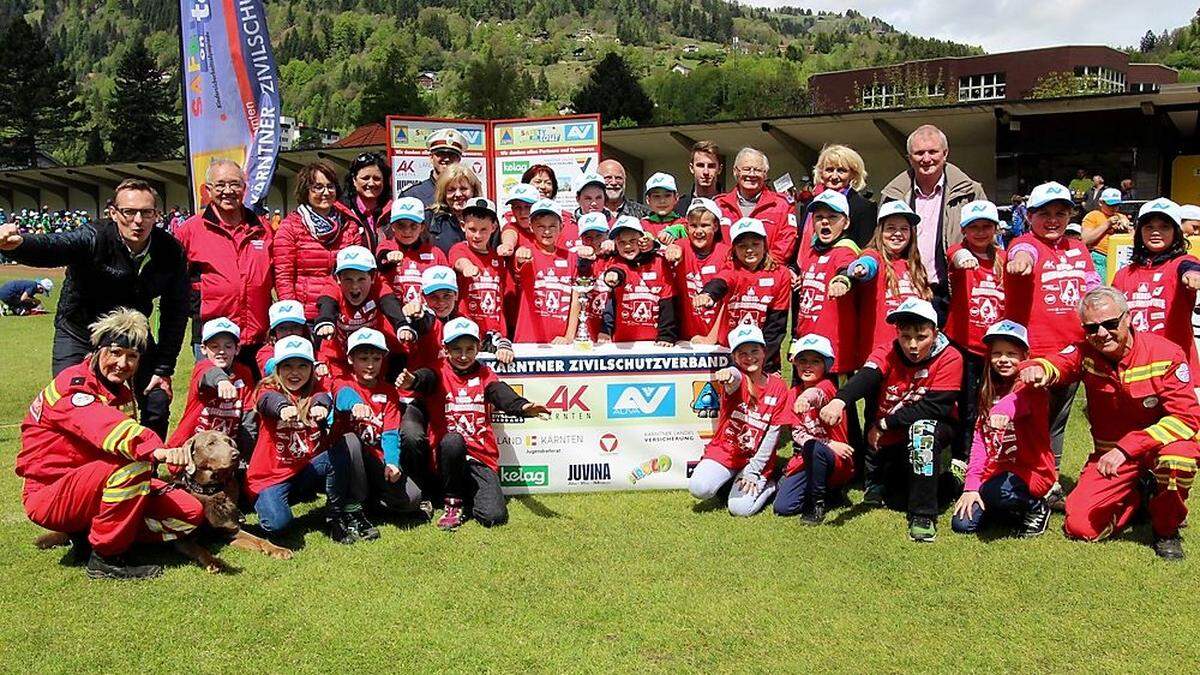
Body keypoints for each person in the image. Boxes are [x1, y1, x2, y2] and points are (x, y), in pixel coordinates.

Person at [16, 309, 203, 580]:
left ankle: (92, 535)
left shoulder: (120, 390)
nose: (122, 363)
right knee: (135, 465)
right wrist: (156, 449)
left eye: (132, 356)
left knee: (189, 513)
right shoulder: (73, 386)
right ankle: (106, 557)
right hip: (52, 491)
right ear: (98, 349)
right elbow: (106, 428)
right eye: (115, 352)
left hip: (94, 483)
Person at [1020, 287, 1200, 560]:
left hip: (1158, 449)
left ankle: (1166, 530)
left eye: (1110, 324)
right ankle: (1140, 495)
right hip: (1110, 457)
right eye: (1091, 328)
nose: (1101, 334)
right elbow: (1059, 362)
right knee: (1080, 527)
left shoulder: (1166, 353)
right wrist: (1037, 368)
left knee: (1179, 460)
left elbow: (1186, 418)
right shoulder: (1087, 352)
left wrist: (1128, 447)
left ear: (1128, 318)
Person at [0, 178, 188, 439]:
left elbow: (175, 310)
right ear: (113, 213)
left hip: (130, 335)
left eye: (147, 213)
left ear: (157, 214)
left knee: (157, 399)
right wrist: (19, 245)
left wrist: (163, 369)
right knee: (70, 402)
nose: (138, 221)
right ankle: (78, 470)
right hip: (79, 331)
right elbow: (55, 246)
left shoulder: (170, 251)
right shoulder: (94, 236)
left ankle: (148, 470)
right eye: (129, 212)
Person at [821, 298, 963, 543]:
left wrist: (884, 424)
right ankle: (936, 482)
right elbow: (867, 376)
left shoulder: (951, 357)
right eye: (905, 336)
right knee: (896, 499)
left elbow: (935, 407)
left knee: (923, 431)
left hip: (933, 426)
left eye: (921, 337)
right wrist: (840, 401)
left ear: (935, 333)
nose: (913, 345)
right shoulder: (887, 351)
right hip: (892, 436)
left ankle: (923, 516)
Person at [399, 318, 550, 529]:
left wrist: (523, 407)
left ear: (479, 347)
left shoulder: (485, 374)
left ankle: (465, 495)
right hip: (447, 458)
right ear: (445, 349)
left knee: (493, 517)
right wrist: (413, 380)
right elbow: (425, 378)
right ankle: (452, 502)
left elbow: (501, 394)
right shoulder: (438, 371)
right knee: (453, 441)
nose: (463, 355)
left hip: (479, 457)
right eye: (456, 349)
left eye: (470, 349)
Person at [1005, 181, 1101, 486]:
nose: (1053, 219)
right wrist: (1020, 261)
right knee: (1030, 420)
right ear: (1029, 216)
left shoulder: (1079, 248)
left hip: (1073, 351)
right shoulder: (1024, 244)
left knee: (1058, 421)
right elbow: (1021, 254)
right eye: (1044, 213)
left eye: (1060, 212)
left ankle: (1051, 479)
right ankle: (1025, 477)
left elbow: (1092, 288)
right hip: (1034, 353)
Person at [951, 320, 1055, 538]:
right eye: (997, 354)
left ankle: (1037, 506)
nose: (1003, 360)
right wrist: (971, 487)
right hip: (996, 471)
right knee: (962, 524)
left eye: (1011, 353)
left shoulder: (1034, 389)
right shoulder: (987, 389)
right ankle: (1000, 506)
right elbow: (981, 442)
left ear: (1025, 356)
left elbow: (1018, 401)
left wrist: (1002, 411)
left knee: (994, 492)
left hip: (1031, 472)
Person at [246, 336, 354, 542]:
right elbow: (267, 401)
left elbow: (323, 397)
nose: (295, 373)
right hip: (270, 477)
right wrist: (283, 408)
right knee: (278, 525)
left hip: (304, 470)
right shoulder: (267, 389)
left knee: (339, 452)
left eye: (302, 366)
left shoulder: (316, 390)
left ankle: (334, 516)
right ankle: (268, 504)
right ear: (277, 369)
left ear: (312, 369)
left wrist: (321, 407)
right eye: (287, 366)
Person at [175, 159, 274, 374]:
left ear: (244, 189)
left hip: (257, 338)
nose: (228, 191)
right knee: (216, 402)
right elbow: (173, 283)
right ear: (208, 190)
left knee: (257, 403)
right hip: (213, 339)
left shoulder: (263, 229)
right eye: (220, 185)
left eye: (235, 184)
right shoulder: (190, 230)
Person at [688, 325, 791, 517]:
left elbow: (772, 435)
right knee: (699, 488)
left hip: (755, 458)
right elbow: (733, 377)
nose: (750, 357)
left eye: (754, 351)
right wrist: (727, 374)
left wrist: (754, 470)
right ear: (734, 358)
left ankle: (770, 485)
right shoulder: (737, 380)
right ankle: (732, 479)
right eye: (742, 353)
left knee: (739, 509)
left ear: (764, 352)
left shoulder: (779, 387)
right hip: (726, 452)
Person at [879, 124, 986, 293]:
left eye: (933, 152)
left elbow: (988, 240)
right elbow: (880, 243)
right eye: (919, 153)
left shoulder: (971, 192)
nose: (926, 159)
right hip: (906, 289)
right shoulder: (892, 195)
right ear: (909, 157)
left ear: (945, 153)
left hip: (955, 289)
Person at [328, 328, 411, 531]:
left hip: (376, 458)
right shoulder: (341, 382)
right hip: (349, 460)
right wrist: (355, 404)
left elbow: (391, 432)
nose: (371, 365)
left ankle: (371, 501)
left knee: (412, 499)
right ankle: (352, 505)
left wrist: (392, 462)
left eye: (376, 358)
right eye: (363, 358)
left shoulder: (389, 391)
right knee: (350, 440)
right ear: (350, 359)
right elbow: (342, 396)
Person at [945, 200, 1006, 460]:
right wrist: (962, 256)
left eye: (986, 227)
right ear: (964, 230)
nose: (980, 232)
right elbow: (954, 256)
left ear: (995, 229)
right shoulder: (960, 252)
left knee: (994, 402)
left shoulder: (1003, 258)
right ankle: (963, 456)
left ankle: (993, 451)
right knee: (967, 405)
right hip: (965, 344)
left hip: (995, 346)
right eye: (974, 227)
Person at [1112, 199, 1200, 374]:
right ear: (1139, 232)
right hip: (1134, 367)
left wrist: (1193, 274)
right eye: (1149, 227)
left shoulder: (1181, 264)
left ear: (1176, 232)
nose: (1156, 232)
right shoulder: (1123, 274)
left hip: (1175, 368)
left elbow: (1190, 267)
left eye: (1164, 227)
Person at [774, 334, 855, 524]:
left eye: (815, 361)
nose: (807, 366)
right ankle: (829, 495)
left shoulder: (828, 386)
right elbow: (797, 433)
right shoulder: (793, 393)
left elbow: (816, 394)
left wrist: (805, 399)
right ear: (794, 363)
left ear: (825, 365)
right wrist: (829, 442)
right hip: (810, 456)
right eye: (802, 360)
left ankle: (816, 503)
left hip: (835, 458)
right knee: (783, 507)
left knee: (814, 448)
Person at [272, 160, 367, 320]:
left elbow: (360, 271)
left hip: (343, 311)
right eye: (318, 187)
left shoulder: (349, 225)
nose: (326, 192)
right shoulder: (290, 227)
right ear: (306, 191)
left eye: (330, 186)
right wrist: (292, 315)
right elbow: (284, 277)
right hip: (307, 315)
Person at [693, 217, 791, 372]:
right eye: (742, 246)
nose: (749, 250)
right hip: (730, 353)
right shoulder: (732, 270)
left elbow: (776, 325)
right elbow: (721, 283)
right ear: (734, 249)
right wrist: (707, 294)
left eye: (755, 244)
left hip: (765, 356)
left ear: (765, 245)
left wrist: (762, 362)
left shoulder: (781, 274)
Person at [842, 200, 932, 364]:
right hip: (878, 352)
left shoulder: (915, 267)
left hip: (910, 352)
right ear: (880, 232)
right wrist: (861, 267)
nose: (897, 233)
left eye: (904, 229)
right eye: (891, 228)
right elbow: (867, 262)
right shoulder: (875, 257)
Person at [794, 190, 863, 377]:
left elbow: (847, 269)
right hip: (807, 343)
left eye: (832, 217)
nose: (825, 222)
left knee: (836, 403)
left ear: (846, 222)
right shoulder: (812, 253)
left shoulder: (844, 250)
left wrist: (842, 280)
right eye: (819, 217)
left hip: (834, 352)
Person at [313, 245, 406, 382]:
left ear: (373, 277)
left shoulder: (379, 285)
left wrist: (402, 325)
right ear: (338, 278)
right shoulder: (333, 286)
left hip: (371, 356)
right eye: (348, 279)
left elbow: (389, 303)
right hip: (339, 356)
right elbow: (327, 303)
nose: (355, 287)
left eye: (361, 279)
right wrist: (325, 321)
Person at [166, 318, 256, 451]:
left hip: (226, 448)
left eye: (228, 346)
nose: (221, 351)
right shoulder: (202, 367)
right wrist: (223, 381)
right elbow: (210, 374)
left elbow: (248, 416)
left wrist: (246, 452)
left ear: (237, 349)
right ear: (203, 349)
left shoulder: (244, 373)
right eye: (215, 346)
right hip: (192, 446)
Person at [597, 216, 678, 345]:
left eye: (633, 240)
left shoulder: (660, 262)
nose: (627, 245)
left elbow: (667, 301)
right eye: (621, 242)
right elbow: (612, 296)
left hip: (655, 342)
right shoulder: (616, 262)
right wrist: (606, 330)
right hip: (623, 342)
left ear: (643, 240)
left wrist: (666, 335)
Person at [512, 199, 583, 344]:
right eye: (540, 226)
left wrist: (569, 336)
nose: (547, 231)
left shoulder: (571, 257)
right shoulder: (526, 253)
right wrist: (520, 256)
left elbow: (576, 299)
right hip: (528, 340)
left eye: (552, 226)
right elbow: (519, 263)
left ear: (561, 226)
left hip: (560, 340)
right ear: (531, 227)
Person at [714, 147, 797, 265]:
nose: (751, 174)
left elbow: (787, 240)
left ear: (765, 174)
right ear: (735, 171)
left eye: (757, 170)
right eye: (746, 169)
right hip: (728, 274)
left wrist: (765, 266)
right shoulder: (719, 205)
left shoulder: (782, 205)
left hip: (767, 274)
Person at [663, 198, 728, 343]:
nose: (698, 231)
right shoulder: (681, 246)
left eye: (705, 225)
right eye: (694, 226)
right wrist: (672, 249)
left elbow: (727, 303)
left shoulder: (726, 253)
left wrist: (712, 337)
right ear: (687, 228)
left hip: (718, 339)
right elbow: (673, 249)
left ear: (716, 226)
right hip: (685, 338)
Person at [449, 197, 511, 339]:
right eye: (472, 229)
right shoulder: (459, 249)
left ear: (493, 228)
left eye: (483, 229)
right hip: (467, 331)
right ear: (463, 225)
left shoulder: (498, 259)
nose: (477, 235)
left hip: (496, 332)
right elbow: (459, 261)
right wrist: (467, 267)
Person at [800, 144, 877, 250]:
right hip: (806, 264)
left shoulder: (864, 207)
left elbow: (866, 248)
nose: (834, 176)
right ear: (821, 173)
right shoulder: (809, 205)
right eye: (829, 170)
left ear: (853, 174)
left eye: (841, 171)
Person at [378, 196, 450, 307]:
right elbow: (381, 257)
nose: (407, 231)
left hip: (427, 317)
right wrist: (388, 257)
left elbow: (448, 290)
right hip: (395, 316)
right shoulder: (387, 246)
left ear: (422, 227)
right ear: (392, 226)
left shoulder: (436, 254)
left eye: (413, 226)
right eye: (401, 225)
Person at [426, 163, 485, 254]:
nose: (458, 194)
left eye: (463, 189)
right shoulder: (430, 219)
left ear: (474, 191)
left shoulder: (487, 217)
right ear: (443, 193)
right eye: (451, 190)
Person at [401, 128, 467, 208]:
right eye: (441, 153)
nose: (447, 159)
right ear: (431, 158)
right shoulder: (413, 195)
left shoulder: (467, 194)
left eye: (452, 155)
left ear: (459, 160)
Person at [1081, 187, 1131, 280]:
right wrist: (1107, 224)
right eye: (1110, 205)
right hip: (1099, 257)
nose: (1114, 208)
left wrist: (1127, 229)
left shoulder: (1122, 217)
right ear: (1101, 203)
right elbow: (1085, 239)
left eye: (1116, 205)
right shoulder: (1093, 215)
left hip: (1119, 258)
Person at [341, 151, 392, 238]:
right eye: (365, 178)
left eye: (377, 178)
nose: (371, 183)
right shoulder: (342, 212)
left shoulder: (393, 211)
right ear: (354, 180)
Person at [674, 140, 722, 217]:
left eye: (711, 166)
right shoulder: (679, 206)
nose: (706, 172)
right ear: (691, 168)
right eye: (700, 165)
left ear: (719, 169)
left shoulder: (728, 205)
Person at [640, 172, 685, 240]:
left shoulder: (684, 224)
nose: (662, 201)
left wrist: (678, 230)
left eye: (667, 195)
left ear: (676, 198)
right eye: (656, 196)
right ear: (648, 200)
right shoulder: (642, 225)